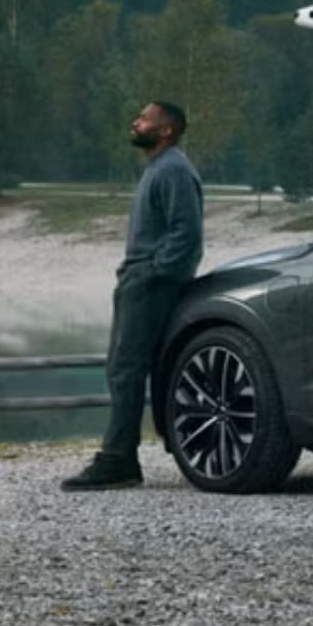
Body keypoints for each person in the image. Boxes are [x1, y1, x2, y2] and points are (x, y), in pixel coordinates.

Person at [61, 100, 203, 490]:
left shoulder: (173, 169)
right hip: (139, 281)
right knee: (123, 369)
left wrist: (149, 274)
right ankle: (124, 455)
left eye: (144, 118)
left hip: (151, 284)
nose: (135, 122)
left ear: (166, 130)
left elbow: (186, 237)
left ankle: (118, 459)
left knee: (127, 369)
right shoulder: (159, 168)